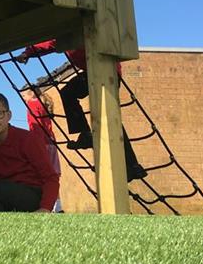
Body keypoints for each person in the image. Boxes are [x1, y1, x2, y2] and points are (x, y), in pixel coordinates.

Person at [17, 40, 147, 181]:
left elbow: (52, 41)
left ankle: (132, 165)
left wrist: (28, 52)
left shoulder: (76, 31)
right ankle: (87, 135)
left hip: (107, 71)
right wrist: (28, 53)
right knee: (69, 93)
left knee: (108, 118)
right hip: (91, 73)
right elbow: (49, 44)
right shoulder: (65, 37)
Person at [0, 91, 59, 212]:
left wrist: (45, 208)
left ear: (9, 115)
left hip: (31, 194)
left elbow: (50, 177)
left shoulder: (28, 139)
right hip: (2, 193)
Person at [20, 85, 63, 212]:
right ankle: (58, 206)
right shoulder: (43, 104)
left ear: (32, 93)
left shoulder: (32, 104)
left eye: (23, 95)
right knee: (53, 175)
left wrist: (33, 143)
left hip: (41, 143)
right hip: (50, 142)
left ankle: (45, 205)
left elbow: (35, 126)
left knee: (42, 175)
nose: (23, 99)